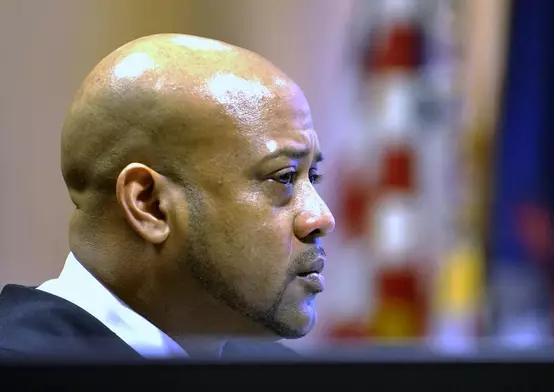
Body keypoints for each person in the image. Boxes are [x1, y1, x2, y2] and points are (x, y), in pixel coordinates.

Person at [0, 33, 335, 360]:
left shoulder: (281, 374)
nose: (321, 218)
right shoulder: (21, 370)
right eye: (285, 177)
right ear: (149, 204)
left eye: (313, 176)